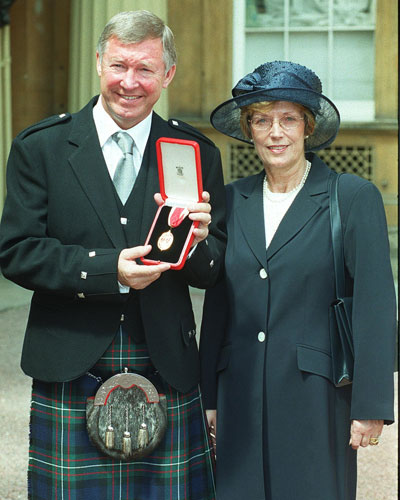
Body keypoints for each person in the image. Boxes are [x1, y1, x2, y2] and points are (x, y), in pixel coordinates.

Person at [0, 10, 225, 499]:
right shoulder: (42, 147)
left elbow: (214, 271)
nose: (130, 82)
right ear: (99, 62)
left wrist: (202, 244)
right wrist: (108, 271)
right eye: (120, 65)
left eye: (145, 69)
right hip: (71, 357)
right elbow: (16, 252)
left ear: (167, 74)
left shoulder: (193, 150)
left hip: (166, 359)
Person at [199, 61, 396, 500]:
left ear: (308, 127)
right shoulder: (231, 200)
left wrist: (372, 405)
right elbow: (218, 306)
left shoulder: (352, 196)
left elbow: (375, 305)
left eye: (288, 119)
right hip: (240, 394)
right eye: (262, 120)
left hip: (318, 398)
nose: (275, 133)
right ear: (249, 129)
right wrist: (209, 394)